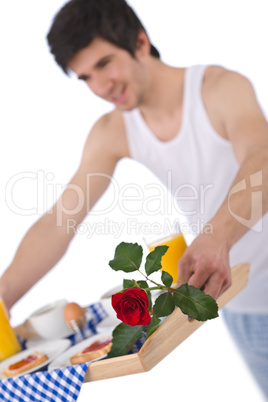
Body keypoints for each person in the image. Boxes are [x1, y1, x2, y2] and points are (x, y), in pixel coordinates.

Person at [0, 0, 268, 397]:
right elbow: (59, 222)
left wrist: (216, 236)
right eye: (85, 77)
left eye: (105, 63)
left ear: (140, 41)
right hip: (244, 305)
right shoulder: (112, 131)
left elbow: (262, 157)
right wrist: (2, 297)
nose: (100, 87)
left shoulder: (219, 88)